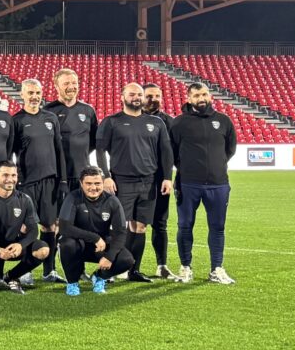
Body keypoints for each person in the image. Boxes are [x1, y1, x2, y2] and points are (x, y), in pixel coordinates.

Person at [96, 82, 175, 283]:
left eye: (139, 94)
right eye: (131, 94)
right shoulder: (112, 121)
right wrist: (106, 176)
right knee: (117, 227)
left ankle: (134, 270)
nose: (136, 97)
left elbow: (166, 152)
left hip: (148, 183)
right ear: (122, 97)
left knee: (140, 227)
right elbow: (100, 151)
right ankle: (111, 269)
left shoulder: (156, 123)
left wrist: (167, 178)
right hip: (121, 182)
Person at [167, 81, 237, 285]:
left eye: (204, 94)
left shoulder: (224, 121)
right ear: (189, 99)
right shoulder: (179, 123)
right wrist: (188, 167)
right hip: (188, 184)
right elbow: (172, 152)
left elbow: (229, 149)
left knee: (218, 227)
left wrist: (216, 166)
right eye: (197, 95)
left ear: (210, 96)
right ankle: (185, 267)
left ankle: (216, 268)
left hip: (218, 184)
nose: (201, 99)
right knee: (185, 225)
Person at [9, 78, 65, 286]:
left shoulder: (51, 118)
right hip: (27, 184)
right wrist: (17, 181)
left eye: (37, 93)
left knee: (51, 226)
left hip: (50, 181)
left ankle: (49, 270)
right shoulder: (17, 120)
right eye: (30, 93)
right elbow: (11, 154)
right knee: (27, 227)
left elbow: (59, 151)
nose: (34, 97)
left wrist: (63, 180)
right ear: (22, 95)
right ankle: (26, 270)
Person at [0, 160, 51, 294]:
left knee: (43, 250)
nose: (10, 179)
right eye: (5, 175)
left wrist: (21, 245)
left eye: (13, 175)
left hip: (12, 247)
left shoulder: (25, 199)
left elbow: (33, 230)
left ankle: (11, 276)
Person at [57, 166, 133, 295]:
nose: (93, 188)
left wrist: (109, 257)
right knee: (67, 244)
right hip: (78, 244)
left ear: (103, 183)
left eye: (97, 183)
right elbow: (65, 228)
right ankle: (72, 283)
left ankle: (99, 277)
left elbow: (120, 233)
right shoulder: (73, 197)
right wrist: (94, 238)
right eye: (89, 184)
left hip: (101, 247)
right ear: (81, 184)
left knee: (127, 260)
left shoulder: (112, 201)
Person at [141, 82, 175, 278]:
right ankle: (130, 266)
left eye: (157, 96)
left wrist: (168, 178)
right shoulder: (133, 119)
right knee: (134, 225)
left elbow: (174, 152)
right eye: (149, 96)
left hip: (161, 181)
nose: (153, 100)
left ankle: (161, 265)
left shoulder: (169, 122)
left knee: (160, 224)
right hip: (136, 181)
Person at [47, 68, 98, 197]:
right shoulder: (47, 111)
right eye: (66, 84)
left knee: (81, 214)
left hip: (81, 174)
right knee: (57, 215)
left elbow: (93, 141)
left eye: (74, 83)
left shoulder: (88, 110)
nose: (71, 87)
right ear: (56, 87)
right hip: (56, 175)